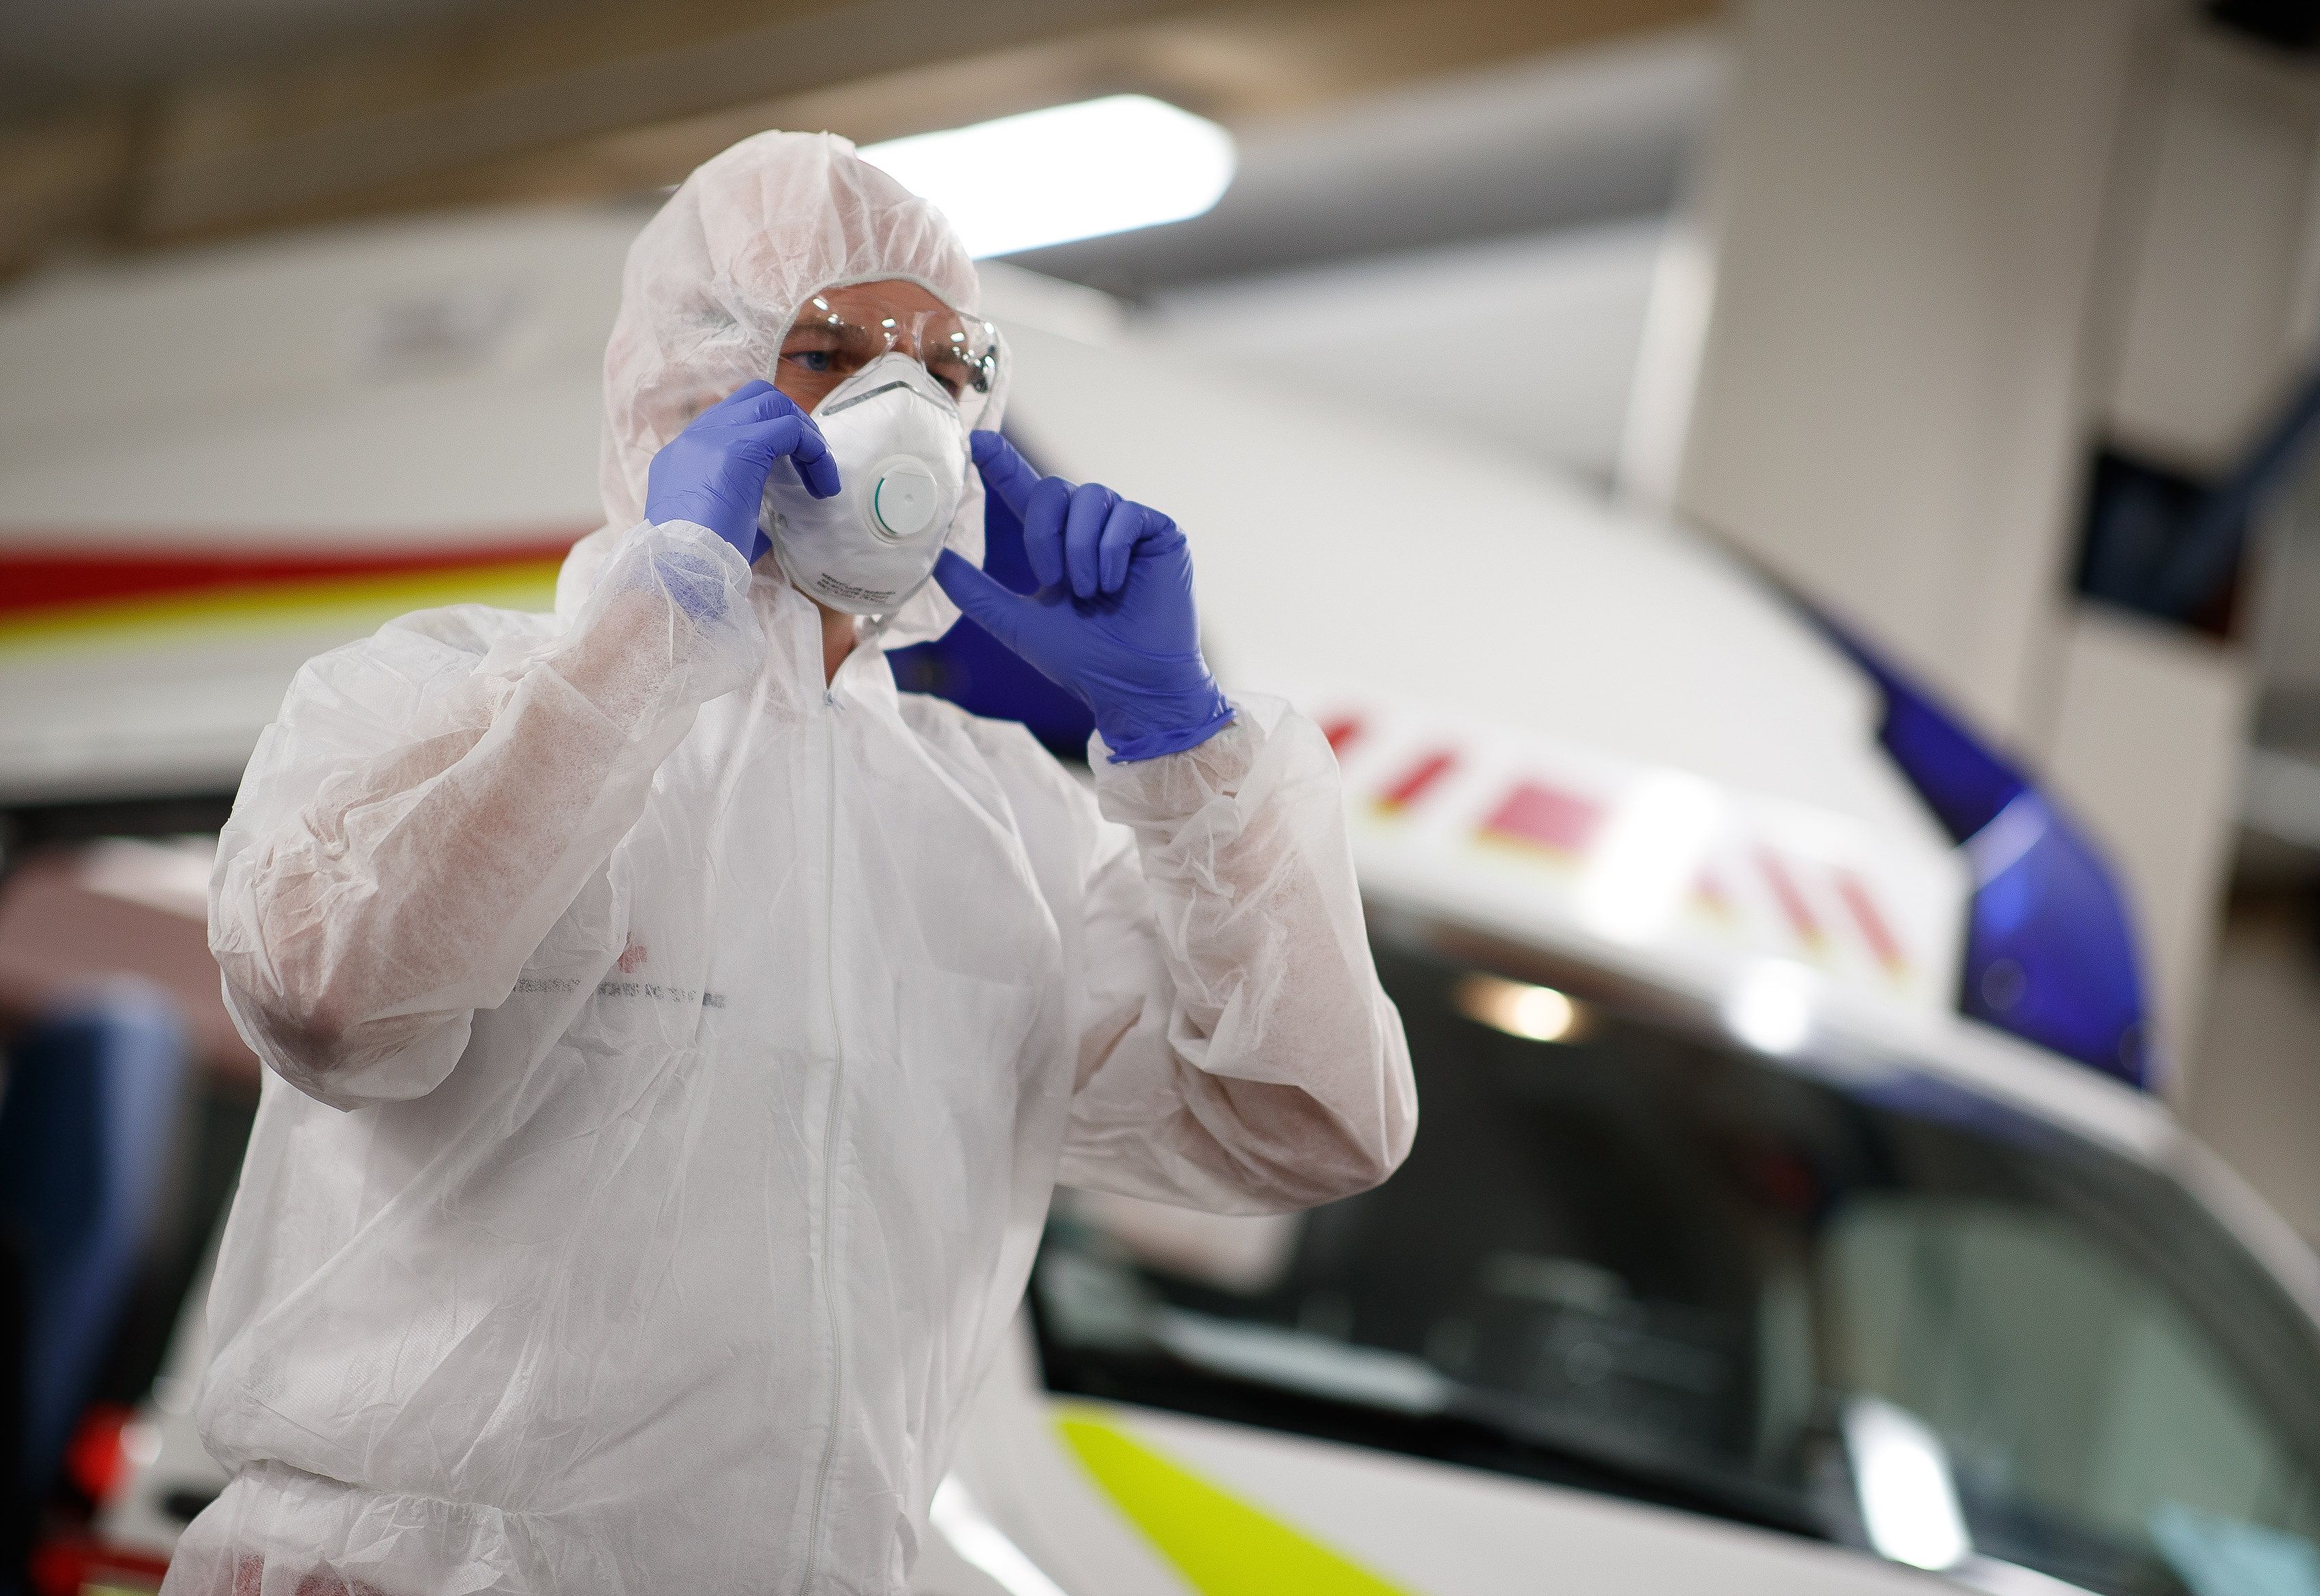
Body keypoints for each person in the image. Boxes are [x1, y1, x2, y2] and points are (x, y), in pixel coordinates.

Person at [168, 131, 1415, 1596]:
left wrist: (1183, 744)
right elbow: (334, 997)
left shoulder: (1004, 828)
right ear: (684, 391)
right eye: (830, 355)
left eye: (947, 370)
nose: (907, 411)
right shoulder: (439, 698)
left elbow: (1310, 1127)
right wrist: (655, 619)